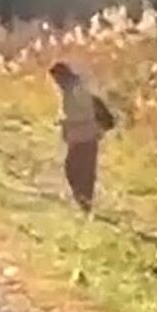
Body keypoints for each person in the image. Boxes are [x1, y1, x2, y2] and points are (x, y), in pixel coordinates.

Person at [48, 62, 114, 212]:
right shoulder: (70, 90)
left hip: (86, 136)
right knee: (78, 170)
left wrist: (67, 122)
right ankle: (84, 203)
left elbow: (86, 113)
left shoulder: (76, 90)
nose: (55, 83)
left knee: (78, 170)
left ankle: (85, 204)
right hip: (80, 136)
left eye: (56, 79)